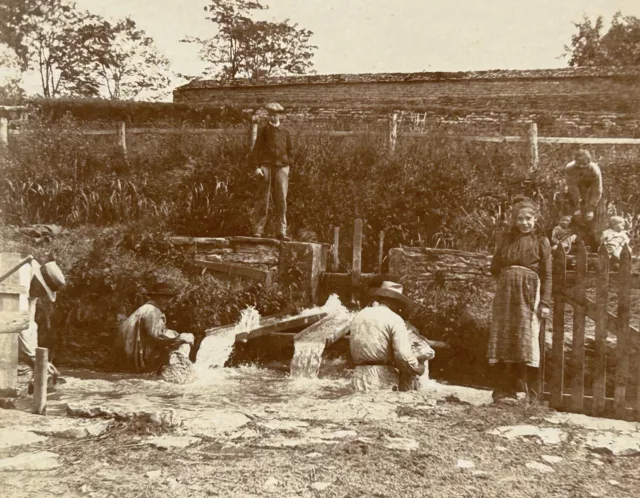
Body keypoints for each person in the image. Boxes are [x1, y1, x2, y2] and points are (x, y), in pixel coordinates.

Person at [488, 200, 552, 401]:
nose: (524, 223)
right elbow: (495, 266)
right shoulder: (506, 239)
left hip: (530, 289)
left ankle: (526, 390)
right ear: (514, 221)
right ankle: (502, 389)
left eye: (528, 219)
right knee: (503, 334)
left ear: (535, 219)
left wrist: (545, 302)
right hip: (506, 290)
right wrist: (508, 279)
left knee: (525, 335)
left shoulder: (541, 241)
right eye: (520, 219)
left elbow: (548, 273)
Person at [349, 281, 429, 392]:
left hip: (358, 375)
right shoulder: (394, 319)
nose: (399, 308)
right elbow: (403, 356)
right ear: (393, 302)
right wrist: (419, 368)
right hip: (381, 377)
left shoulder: (360, 315)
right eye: (398, 304)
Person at [116, 282, 195, 377]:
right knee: (181, 343)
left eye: (169, 298)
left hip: (127, 351)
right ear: (156, 297)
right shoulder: (153, 311)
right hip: (134, 355)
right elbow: (157, 336)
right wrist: (180, 339)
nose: (169, 301)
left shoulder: (146, 308)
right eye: (165, 297)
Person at [18, 258, 66, 394]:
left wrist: (39, 356)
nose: (42, 294)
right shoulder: (22, 273)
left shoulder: (34, 289)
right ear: (39, 280)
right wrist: (34, 359)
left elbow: (30, 323)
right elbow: (19, 318)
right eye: (43, 290)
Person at [249, 102, 293, 241]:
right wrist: (256, 167)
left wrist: (287, 166)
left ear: (280, 115)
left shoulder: (285, 132)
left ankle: (281, 231)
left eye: (274, 114)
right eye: (270, 114)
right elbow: (256, 150)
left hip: (282, 168)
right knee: (263, 199)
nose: (272, 117)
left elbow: (290, 150)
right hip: (266, 167)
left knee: (281, 200)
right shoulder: (264, 131)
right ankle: (258, 230)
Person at [565, 149, 603, 223]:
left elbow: (597, 189)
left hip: (590, 190)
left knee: (594, 216)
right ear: (575, 160)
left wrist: (591, 209)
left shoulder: (594, 170)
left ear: (589, 161)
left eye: (585, 164)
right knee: (575, 215)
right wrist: (577, 207)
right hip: (577, 190)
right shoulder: (570, 168)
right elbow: (572, 188)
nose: (581, 166)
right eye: (579, 163)